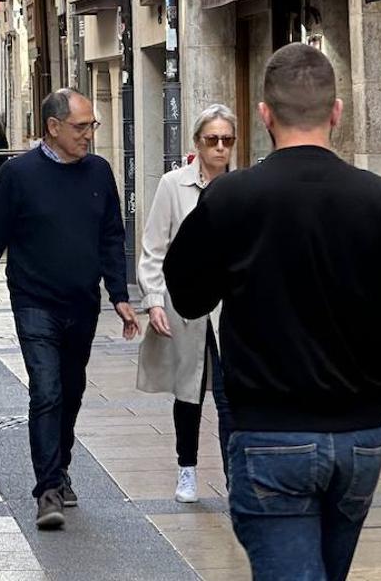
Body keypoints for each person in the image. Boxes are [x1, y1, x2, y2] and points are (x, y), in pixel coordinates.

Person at [163, 44, 381, 581]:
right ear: (335, 112)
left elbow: (187, 294)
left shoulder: (232, 197)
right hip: (359, 437)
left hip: (270, 432)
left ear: (264, 116)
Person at [0, 89, 139, 531]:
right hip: (33, 301)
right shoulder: (19, 175)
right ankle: (47, 490)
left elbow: (111, 237)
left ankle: (60, 465)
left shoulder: (99, 172)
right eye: (81, 127)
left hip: (82, 302)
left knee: (72, 390)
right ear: (53, 127)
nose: (89, 135)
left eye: (92, 126)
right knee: (46, 390)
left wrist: (119, 295)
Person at [136, 104, 237, 503]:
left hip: (230, 310)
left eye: (227, 140)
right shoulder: (173, 185)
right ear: (197, 142)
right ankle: (187, 469)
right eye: (212, 140)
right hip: (187, 303)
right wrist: (154, 300)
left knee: (230, 395)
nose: (219, 148)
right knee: (188, 390)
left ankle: (235, 479)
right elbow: (153, 248)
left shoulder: (243, 186)